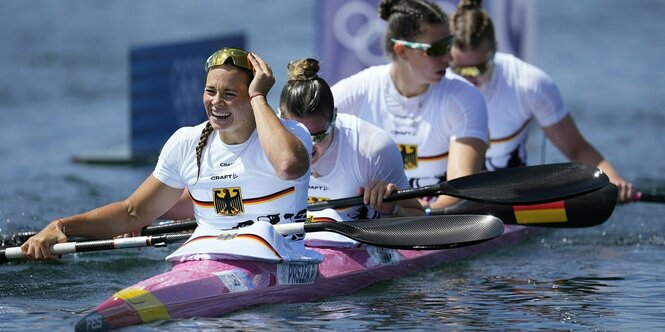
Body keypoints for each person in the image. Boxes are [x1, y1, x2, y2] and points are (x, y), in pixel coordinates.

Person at [21, 47, 321, 264]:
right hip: (203, 256)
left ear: (253, 95)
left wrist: (259, 96)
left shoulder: (292, 134)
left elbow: (288, 166)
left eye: (229, 94)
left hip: (280, 257)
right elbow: (132, 212)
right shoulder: (185, 142)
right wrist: (62, 227)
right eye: (210, 91)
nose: (216, 102)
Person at [448, 0, 633, 203]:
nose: (468, 79)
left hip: (508, 197)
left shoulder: (529, 84)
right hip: (448, 198)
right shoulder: (435, 79)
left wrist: (612, 179)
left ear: (494, 51)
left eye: (477, 69)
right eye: (459, 69)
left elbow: (577, 149)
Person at [331, 0, 489, 210]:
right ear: (403, 51)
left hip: (436, 218)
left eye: (449, 44)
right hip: (372, 218)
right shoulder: (356, 91)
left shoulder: (465, 97)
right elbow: (296, 135)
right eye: (437, 49)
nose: (449, 58)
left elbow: (459, 193)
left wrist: (415, 212)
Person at [278, 58, 424, 231]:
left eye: (317, 136)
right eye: (296, 135)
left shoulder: (372, 149)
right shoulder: (265, 141)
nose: (306, 147)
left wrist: (392, 209)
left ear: (334, 117)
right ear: (280, 120)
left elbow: (420, 221)